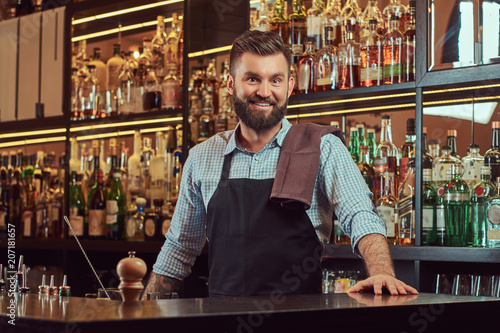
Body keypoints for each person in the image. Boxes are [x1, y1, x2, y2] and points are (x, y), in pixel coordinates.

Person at [143, 30, 418, 298]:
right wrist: (144, 313)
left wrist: (382, 272)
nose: (265, 92)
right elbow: (180, 248)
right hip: (221, 320)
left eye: (275, 80)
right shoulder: (202, 156)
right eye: (253, 79)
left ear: (289, 86)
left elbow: (360, 215)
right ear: (230, 84)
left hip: (299, 322)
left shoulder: (321, 146)